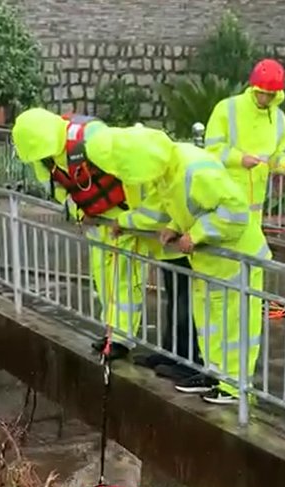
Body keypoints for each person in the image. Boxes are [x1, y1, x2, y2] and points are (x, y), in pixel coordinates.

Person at [94, 126, 265, 405]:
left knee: (232, 325)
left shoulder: (193, 170)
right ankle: (216, 375)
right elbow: (180, 207)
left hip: (235, 258)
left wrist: (196, 234)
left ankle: (236, 388)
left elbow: (234, 212)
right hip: (212, 260)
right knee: (212, 323)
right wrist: (174, 226)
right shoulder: (170, 168)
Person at [12, 108, 147, 362]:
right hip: (96, 219)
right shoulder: (43, 158)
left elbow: (131, 175)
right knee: (102, 276)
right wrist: (79, 212)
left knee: (123, 278)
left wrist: (133, 219)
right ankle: (111, 331)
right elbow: (60, 191)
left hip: (123, 218)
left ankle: (123, 339)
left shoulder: (92, 139)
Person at [85, 127, 204, 382]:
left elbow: (156, 212)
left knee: (185, 305)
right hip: (168, 245)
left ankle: (189, 361)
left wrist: (125, 220)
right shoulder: (149, 168)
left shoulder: (164, 168)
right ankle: (172, 354)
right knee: (175, 302)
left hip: (183, 245)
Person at [204, 59, 285, 243]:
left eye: (270, 95)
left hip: (254, 207)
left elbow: (278, 154)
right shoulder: (227, 109)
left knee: (251, 254)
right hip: (223, 199)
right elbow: (212, 150)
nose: (264, 99)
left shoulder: (279, 119)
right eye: (261, 93)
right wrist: (239, 159)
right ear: (253, 88)